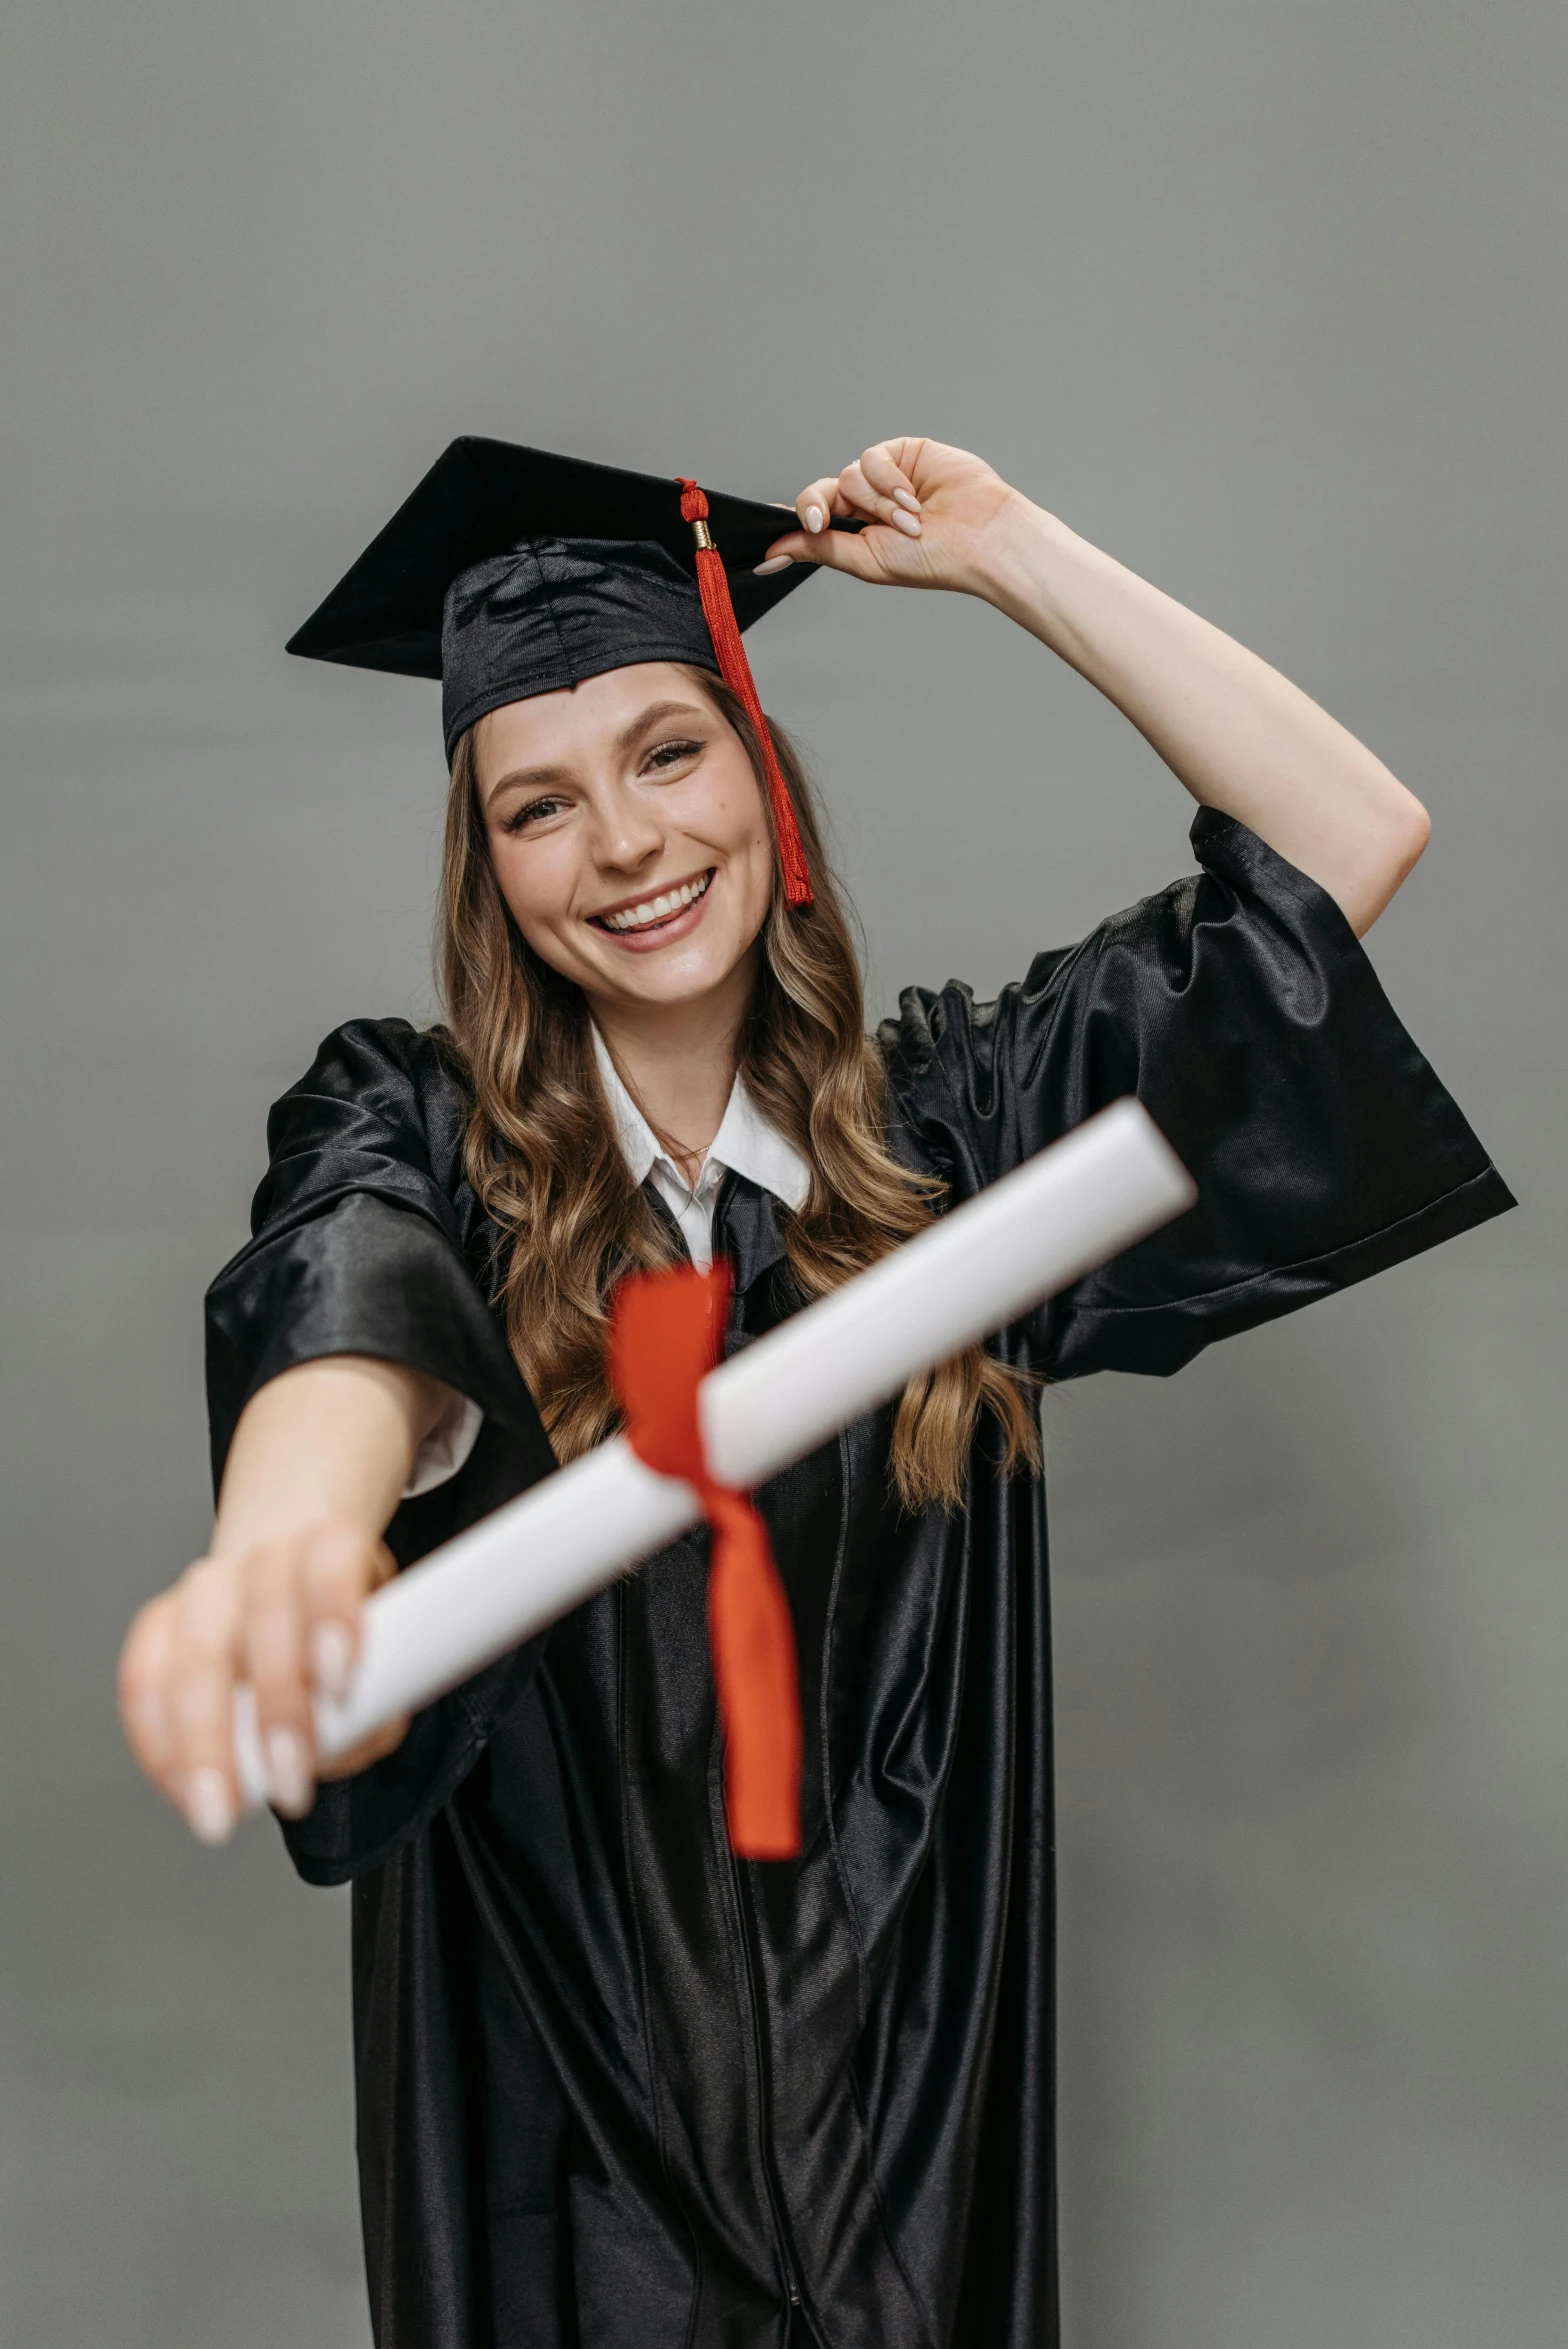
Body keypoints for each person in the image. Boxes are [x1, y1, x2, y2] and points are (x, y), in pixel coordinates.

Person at [117, 435, 1512, 2349]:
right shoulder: (418, 1130)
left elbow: (1349, 841)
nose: (621, 847)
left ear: (763, 773)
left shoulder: (957, 1146)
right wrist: (293, 1528)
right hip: (571, 2133)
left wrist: (1017, 557)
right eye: (539, 806)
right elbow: (344, 1295)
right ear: (488, 866)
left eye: (669, 753)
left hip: (903, 2119)